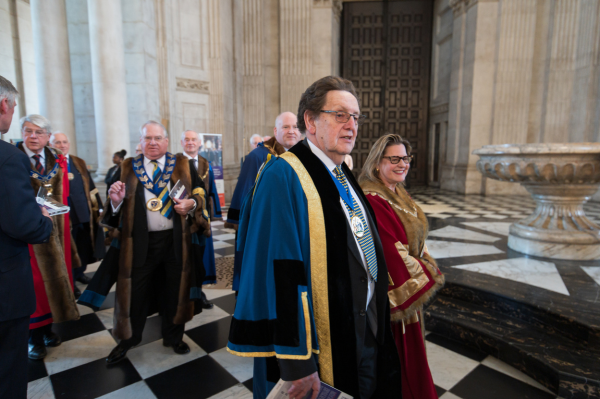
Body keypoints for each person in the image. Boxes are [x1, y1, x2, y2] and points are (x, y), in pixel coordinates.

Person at [227, 76, 401, 399]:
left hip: (365, 329)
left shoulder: (341, 172)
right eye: (340, 115)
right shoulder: (283, 176)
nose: (351, 125)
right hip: (320, 349)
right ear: (310, 120)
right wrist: (297, 362)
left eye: (355, 117)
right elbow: (279, 269)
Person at [100, 121, 209, 364]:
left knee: (175, 291)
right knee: (134, 294)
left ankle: (173, 336)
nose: (152, 142)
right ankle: (128, 339)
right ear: (140, 142)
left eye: (157, 138)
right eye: (147, 138)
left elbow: (200, 192)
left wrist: (192, 204)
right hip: (139, 243)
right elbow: (113, 210)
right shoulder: (127, 167)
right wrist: (116, 201)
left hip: (175, 242)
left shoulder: (182, 164)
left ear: (167, 141)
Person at [359, 133, 445, 399]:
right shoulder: (373, 198)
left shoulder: (398, 192)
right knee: (400, 360)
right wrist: (427, 271)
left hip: (409, 283)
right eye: (394, 159)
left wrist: (426, 260)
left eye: (405, 158)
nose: (402, 164)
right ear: (377, 164)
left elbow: (416, 239)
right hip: (392, 293)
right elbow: (390, 251)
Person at [0, 76, 53, 399]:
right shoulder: (8, 158)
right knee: (8, 368)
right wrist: (43, 220)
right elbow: (25, 226)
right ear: (4, 105)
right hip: (5, 285)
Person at [16, 114, 80, 360]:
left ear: (46, 137)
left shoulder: (56, 159)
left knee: (53, 280)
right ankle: (33, 338)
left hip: (57, 231)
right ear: (22, 133)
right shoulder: (12, 158)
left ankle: (47, 329)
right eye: (28, 131)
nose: (33, 136)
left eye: (39, 132)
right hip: (27, 234)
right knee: (32, 284)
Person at [225, 111, 301, 292]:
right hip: (264, 230)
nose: (291, 131)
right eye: (286, 127)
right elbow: (245, 197)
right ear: (276, 131)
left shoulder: (301, 156)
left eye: (295, 127)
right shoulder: (258, 156)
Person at [50, 132, 105, 296]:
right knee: (67, 252)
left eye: (64, 142)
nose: (62, 145)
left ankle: (80, 273)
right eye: (57, 142)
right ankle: (70, 283)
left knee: (84, 247)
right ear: (51, 144)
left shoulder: (78, 162)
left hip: (83, 214)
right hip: (64, 217)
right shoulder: (49, 164)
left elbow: (91, 187)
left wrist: (99, 208)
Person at [181, 129, 218, 309]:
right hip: (181, 221)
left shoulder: (206, 164)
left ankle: (199, 294)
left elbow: (212, 192)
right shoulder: (174, 164)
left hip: (202, 221)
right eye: (186, 140)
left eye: (193, 140)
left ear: (199, 143)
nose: (190, 142)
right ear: (182, 143)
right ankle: (181, 296)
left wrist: (213, 215)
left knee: (201, 259)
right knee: (182, 259)